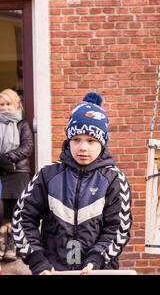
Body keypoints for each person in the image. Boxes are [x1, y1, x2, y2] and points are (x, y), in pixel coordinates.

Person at [11, 92, 133, 275]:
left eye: (91, 141)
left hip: (98, 271)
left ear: (103, 143)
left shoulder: (115, 180)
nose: (83, 147)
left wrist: (96, 260)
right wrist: (38, 260)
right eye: (76, 140)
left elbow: (118, 228)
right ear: (68, 141)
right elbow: (22, 218)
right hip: (53, 270)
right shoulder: (47, 175)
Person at [0, 89, 34, 262]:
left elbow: (27, 147)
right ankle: (1, 244)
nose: (5, 108)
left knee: (16, 210)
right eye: (1, 104)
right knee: (2, 210)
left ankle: (12, 246)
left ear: (16, 105)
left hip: (18, 173)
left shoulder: (23, 124)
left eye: (8, 104)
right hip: (1, 173)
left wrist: (7, 157)